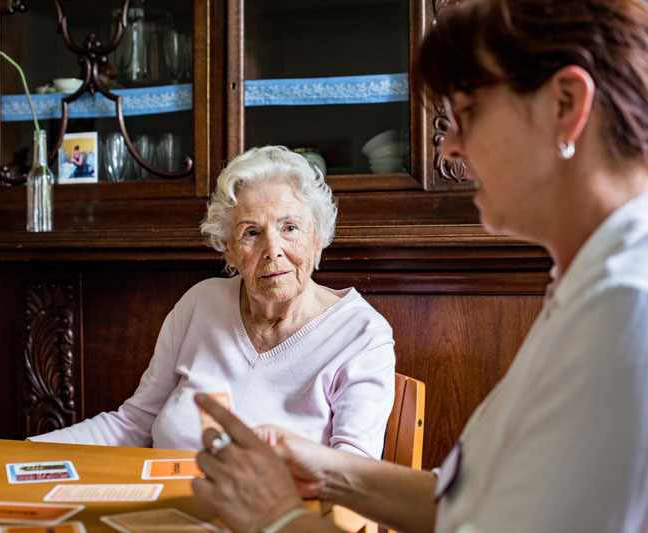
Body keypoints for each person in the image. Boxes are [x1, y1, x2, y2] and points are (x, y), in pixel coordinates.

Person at [190, 1, 648, 532]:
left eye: (469, 113)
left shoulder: (641, 309)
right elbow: (485, 505)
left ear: (566, 104)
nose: (450, 143)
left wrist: (275, 518)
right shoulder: (597, 284)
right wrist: (329, 473)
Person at [30, 146, 396, 457]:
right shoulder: (200, 304)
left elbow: (353, 473)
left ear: (318, 240)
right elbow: (135, 423)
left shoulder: (361, 335)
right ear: (229, 252)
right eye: (251, 232)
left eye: (290, 228)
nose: (273, 250)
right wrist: (25, 453)